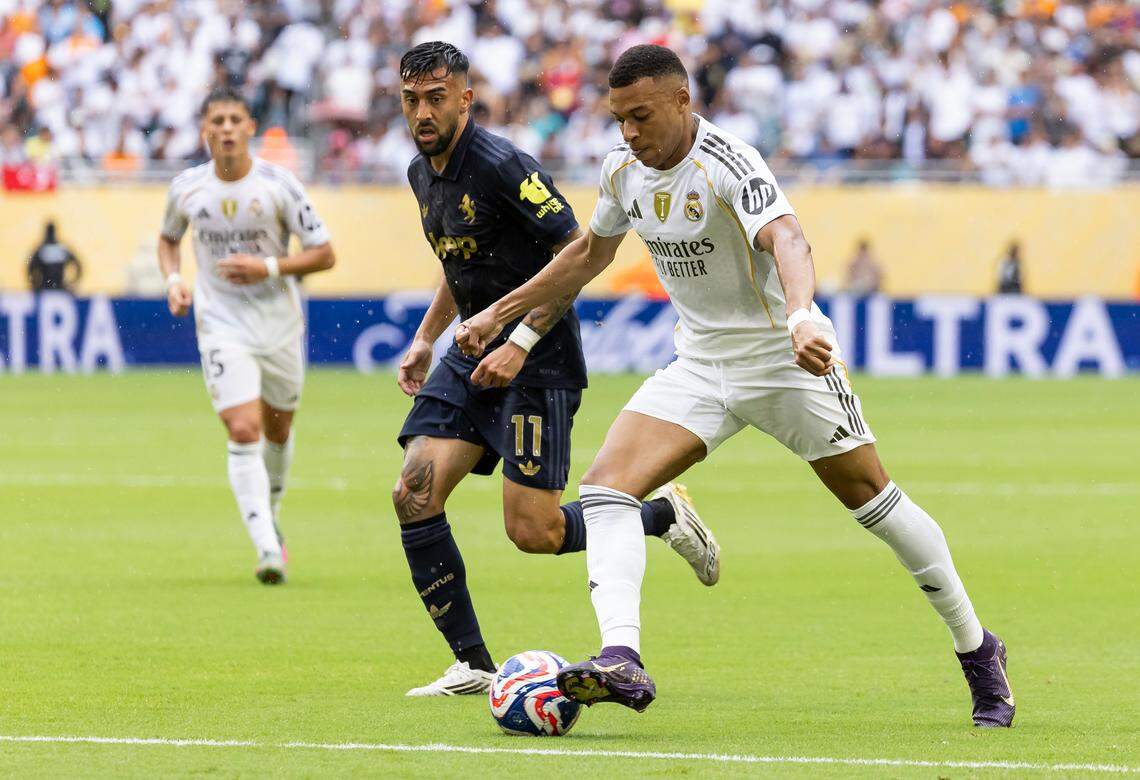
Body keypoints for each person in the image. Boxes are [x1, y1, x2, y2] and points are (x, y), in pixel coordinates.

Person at [458, 45, 1015, 728]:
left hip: (783, 359)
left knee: (872, 499)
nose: (629, 133)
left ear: (682, 102)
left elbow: (788, 238)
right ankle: (620, 657)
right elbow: (585, 257)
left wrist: (803, 315)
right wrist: (506, 321)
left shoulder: (729, 162)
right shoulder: (623, 171)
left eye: (641, 116)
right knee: (605, 491)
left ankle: (978, 648)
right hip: (700, 364)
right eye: (618, 119)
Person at [392, 42, 719, 698]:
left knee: (533, 532)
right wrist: (428, 337)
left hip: (537, 358)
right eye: (411, 100)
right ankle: (474, 663)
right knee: (413, 493)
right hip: (468, 350)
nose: (422, 111)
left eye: (435, 97)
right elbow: (459, 261)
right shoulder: (420, 173)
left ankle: (658, 517)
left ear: (465, 97)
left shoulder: (503, 166)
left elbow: (575, 254)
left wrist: (518, 339)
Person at [157, 86, 336, 585]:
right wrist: (174, 280)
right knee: (243, 430)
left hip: (279, 323)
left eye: (236, 118)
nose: (228, 128)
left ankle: (269, 512)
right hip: (220, 322)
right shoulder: (187, 188)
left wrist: (269, 266)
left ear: (250, 127)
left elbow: (324, 253)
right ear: (205, 131)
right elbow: (168, 240)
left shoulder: (279, 185)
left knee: (278, 430)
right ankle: (265, 546)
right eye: (218, 120)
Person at [27, 221, 82, 292]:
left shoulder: (41, 249)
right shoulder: (62, 249)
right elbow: (78, 266)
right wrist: (72, 283)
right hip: (60, 288)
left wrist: (35, 285)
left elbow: (30, 268)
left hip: (44, 289)